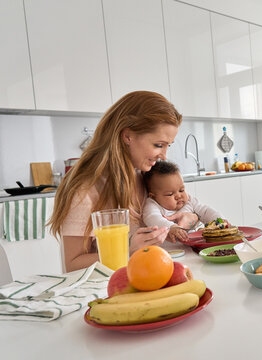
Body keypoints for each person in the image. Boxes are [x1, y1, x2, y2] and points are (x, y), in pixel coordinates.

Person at [49, 91, 182, 272]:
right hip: (105, 292)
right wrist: (129, 251)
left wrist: (187, 216)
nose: (164, 156)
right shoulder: (84, 190)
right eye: (158, 145)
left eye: (168, 145)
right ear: (127, 136)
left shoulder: (143, 176)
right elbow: (73, 265)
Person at [142, 160, 221, 243]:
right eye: (170, 194)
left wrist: (219, 220)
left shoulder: (189, 200)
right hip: (169, 250)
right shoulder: (153, 205)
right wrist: (171, 227)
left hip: (193, 245)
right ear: (153, 196)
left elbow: (205, 211)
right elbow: (153, 218)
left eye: (181, 190)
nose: (179, 196)